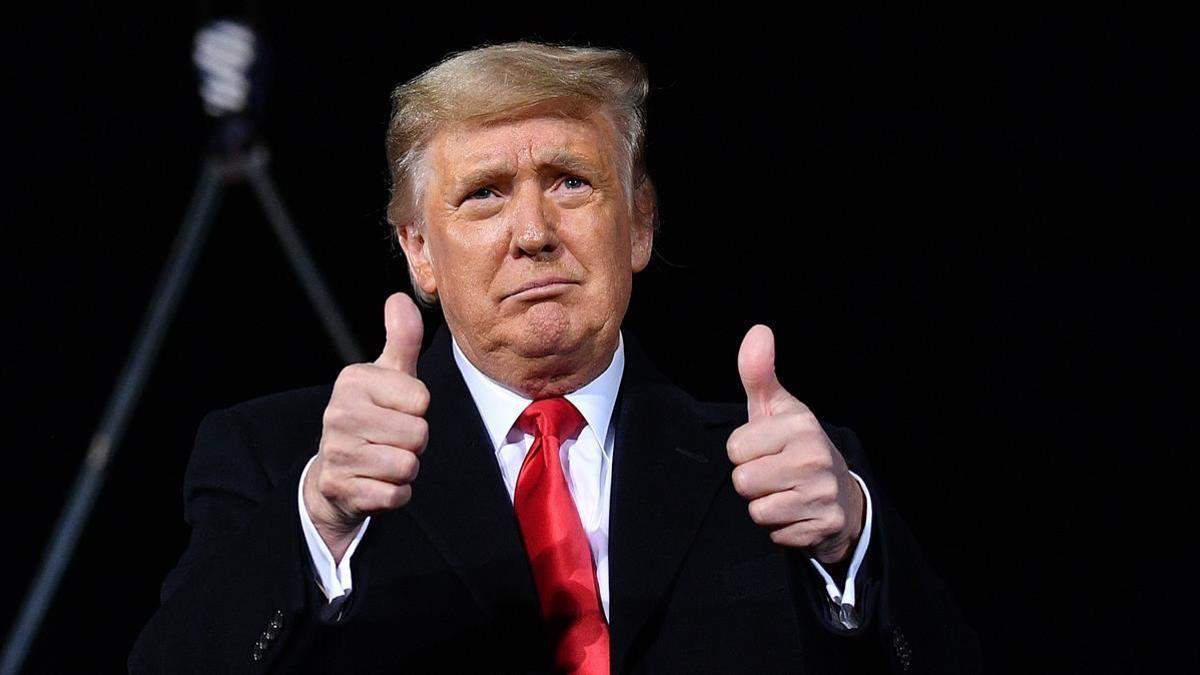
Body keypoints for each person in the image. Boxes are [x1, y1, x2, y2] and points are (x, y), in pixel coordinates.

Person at [130, 42, 979, 673]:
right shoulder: (282, 462)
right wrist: (318, 519)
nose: (533, 234)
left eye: (571, 180)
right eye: (484, 195)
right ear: (418, 251)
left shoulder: (782, 475)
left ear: (641, 222)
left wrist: (851, 545)